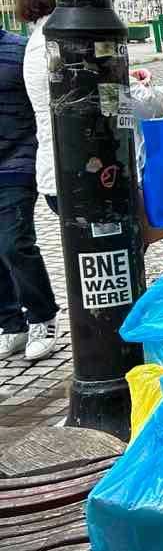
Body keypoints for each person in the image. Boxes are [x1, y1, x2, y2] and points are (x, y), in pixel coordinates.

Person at [20, 0, 163, 360]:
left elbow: (107, 95)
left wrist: (124, 78)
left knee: (118, 257)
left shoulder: (43, 39)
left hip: (63, 177)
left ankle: (118, 340)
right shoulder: (73, 40)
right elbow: (139, 103)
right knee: (121, 260)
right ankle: (119, 347)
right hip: (95, 178)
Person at [1, 24, 56, 363]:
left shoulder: (20, 49)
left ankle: (42, 317)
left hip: (17, 160)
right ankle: (11, 323)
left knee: (13, 242)